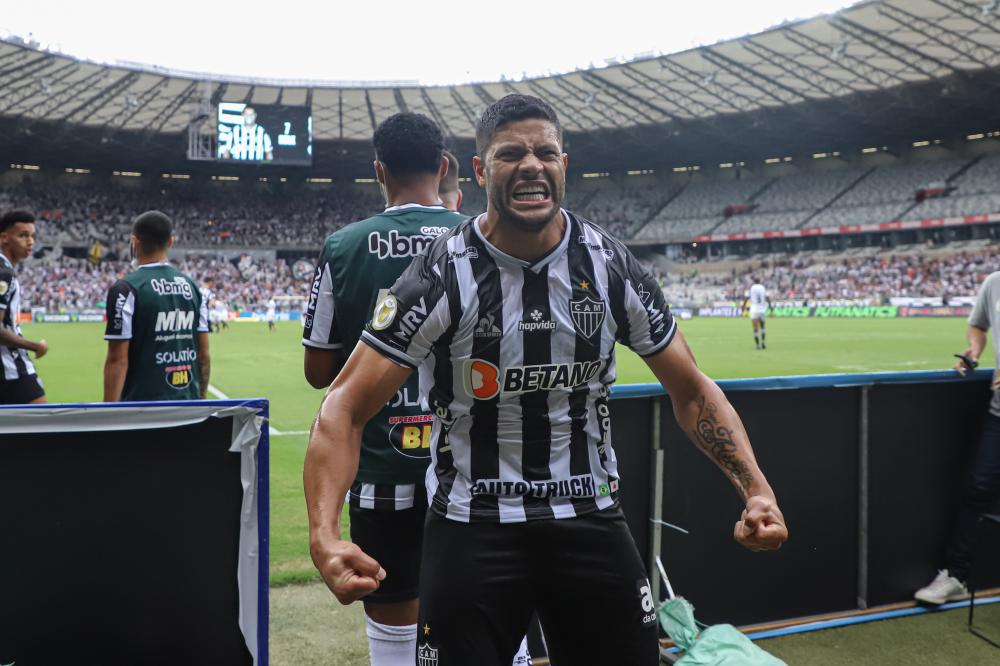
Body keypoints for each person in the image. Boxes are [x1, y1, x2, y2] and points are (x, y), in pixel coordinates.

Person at [304, 94, 787, 665]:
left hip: (589, 517)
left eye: (546, 152)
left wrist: (756, 489)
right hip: (471, 526)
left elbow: (691, 388)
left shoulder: (608, 265)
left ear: (563, 164)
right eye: (511, 153)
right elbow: (344, 407)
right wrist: (326, 536)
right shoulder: (441, 273)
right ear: (481, 172)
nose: (532, 164)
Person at [302, 115, 470, 666]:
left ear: (379, 170)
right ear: (443, 166)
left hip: (381, 474)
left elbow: (319, 370)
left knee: (396, 632)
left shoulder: (344, 246)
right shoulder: (481, 240)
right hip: (477, 475)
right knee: (489, 620)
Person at [914, 271, 1000, 604]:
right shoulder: (994, 283)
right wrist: (975, 351)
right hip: (998, 413)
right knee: (977, 490)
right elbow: (978, 325)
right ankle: (956, 576)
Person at [103, 211, 210, 402]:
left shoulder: (125, 289)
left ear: (134, 242)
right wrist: (200, 400)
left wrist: (109, 417)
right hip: (188, 407)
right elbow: (203, 355)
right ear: (171, 242)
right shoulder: (194, 288)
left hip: (142, 410)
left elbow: (117, 360)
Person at [0, 210, 48, 404]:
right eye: (23, 235)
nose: (30, 242)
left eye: (32, 236)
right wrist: (35, 346)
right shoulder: (4, 273)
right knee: (44, 426)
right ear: (4, 238)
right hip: (12, 368)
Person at [742, 276, 771, 350]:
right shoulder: (763, 287)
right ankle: (763, 342)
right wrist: (771, 306)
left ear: (754, 281)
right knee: (763, 327)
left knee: (755, 329)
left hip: (754, 310)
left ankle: (757, 345)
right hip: (762, 310)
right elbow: (767, 297)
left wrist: (743, 306)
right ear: (760, 280)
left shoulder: (751, 288)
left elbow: (746, 298)